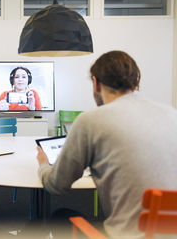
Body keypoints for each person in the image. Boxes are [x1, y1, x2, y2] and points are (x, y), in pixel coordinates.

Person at [36, 50, 177, 238]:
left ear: (95, 83)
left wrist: (43, 165)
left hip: (127, 235)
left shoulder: (91, 121)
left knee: (59, 216)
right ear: (136, 82)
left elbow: (57, 185)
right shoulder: (172, 114)